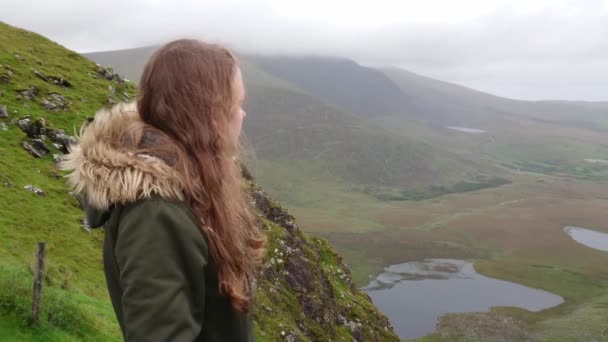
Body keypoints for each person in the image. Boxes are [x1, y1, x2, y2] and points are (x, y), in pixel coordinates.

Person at [61, 39, 267, 341]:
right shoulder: (155, 213)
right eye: (236, 104)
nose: (242, 115)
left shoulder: (187, 188)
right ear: (209, 114)